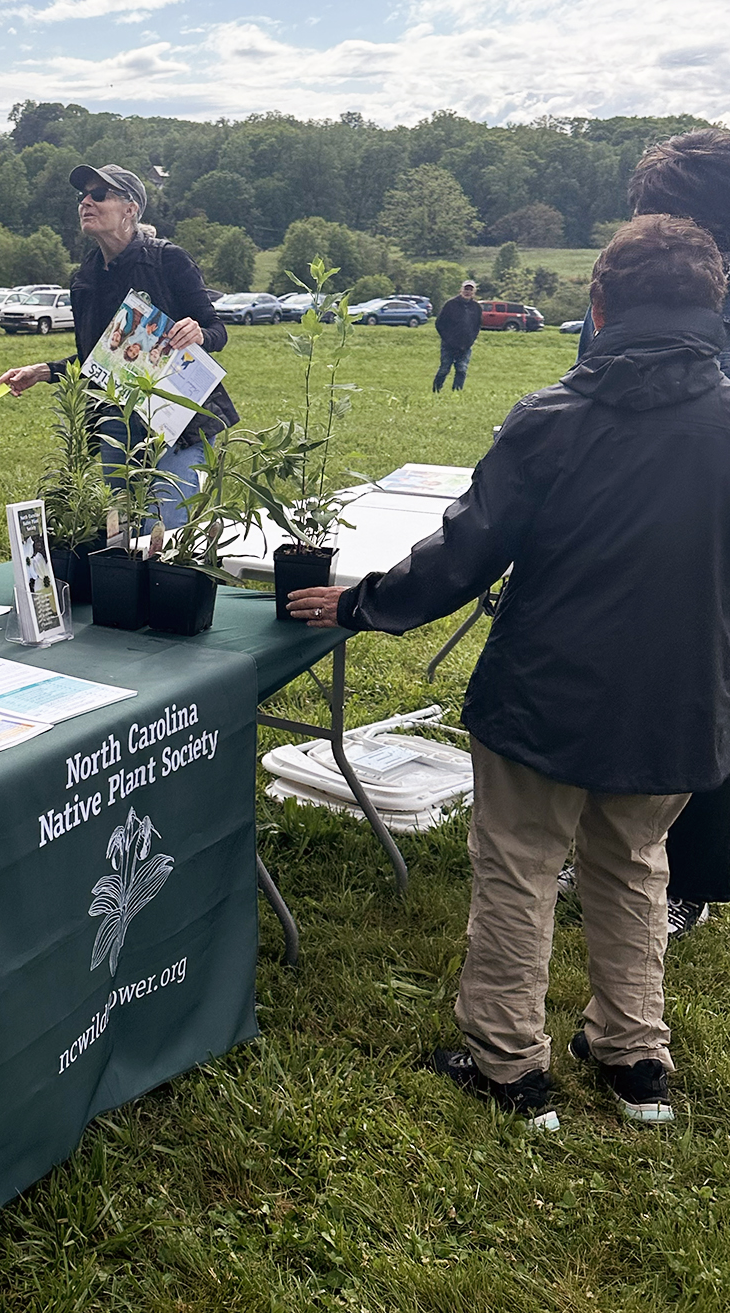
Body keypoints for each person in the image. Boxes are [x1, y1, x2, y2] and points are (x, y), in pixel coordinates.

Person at [288, 215, 730, 1128]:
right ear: (712, 306)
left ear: (599, 306)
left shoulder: (553, 419)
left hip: (546, 692)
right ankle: (634, 1055)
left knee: (521, 869)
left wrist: (366, 602)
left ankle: (506, 1062)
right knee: (638, 866)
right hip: (679, 701)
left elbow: (464, 552)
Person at [577, 127, 730, 939]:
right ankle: (612, 845)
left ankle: (687, 875)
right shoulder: (631, 284)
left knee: (699, 700)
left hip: (701, 533)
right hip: (623, 523)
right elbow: (586, 375)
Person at [0, 164, 238, 529]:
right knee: (121, 533)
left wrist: (199, 333)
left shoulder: (167, 259)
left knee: (164, 527)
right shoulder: (85, 279)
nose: (86, 203)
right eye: (82, 196)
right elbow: (100, 358)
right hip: (118, 421)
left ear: (131, 209)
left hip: (177, 418)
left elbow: (217, 329)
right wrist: (42, 372)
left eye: (99, 195)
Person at [432, 280, 481, 392]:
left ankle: (457, 392)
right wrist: (447, 339)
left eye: (470, 289)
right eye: (466, 289)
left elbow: (477, 325)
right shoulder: (450, 304)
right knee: (444, 369)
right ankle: (436, 390)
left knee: (461, 370)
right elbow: (439, 323)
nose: (467, 292)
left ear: (474, 292)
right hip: (448, 345)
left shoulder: (476, 307)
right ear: (461, 290)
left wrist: (471, 339)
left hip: (466, 345)